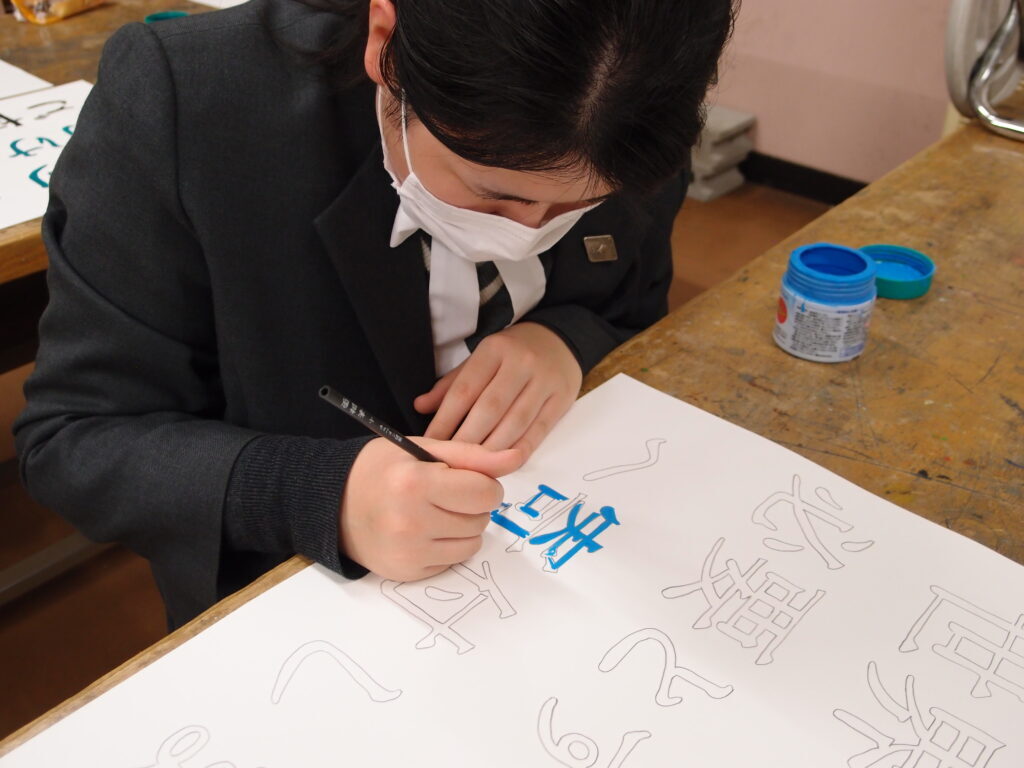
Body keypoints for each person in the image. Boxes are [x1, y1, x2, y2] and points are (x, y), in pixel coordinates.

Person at [14, 0, 735, 628]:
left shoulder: (639, 102)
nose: (531, 232)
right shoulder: (191, 102)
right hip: (305, 609)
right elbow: (75, 438)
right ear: (384, 43)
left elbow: (634, 305)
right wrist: (317, 494)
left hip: (550, 576)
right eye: (493, 196)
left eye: (582, 204)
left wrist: (566, 336)